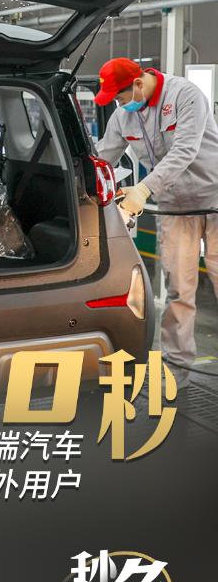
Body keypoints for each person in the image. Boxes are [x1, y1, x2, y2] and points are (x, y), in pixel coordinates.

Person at [94, 57, 218, 391]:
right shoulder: (123, 115)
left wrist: (144, 189)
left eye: (120, 96)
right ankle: (177, 371)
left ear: (137, 83)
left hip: (214, 198)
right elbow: (104, 155)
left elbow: (185, 150)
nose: (120, 104)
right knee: (179, 291)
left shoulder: (185, 95)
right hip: (174, 206)